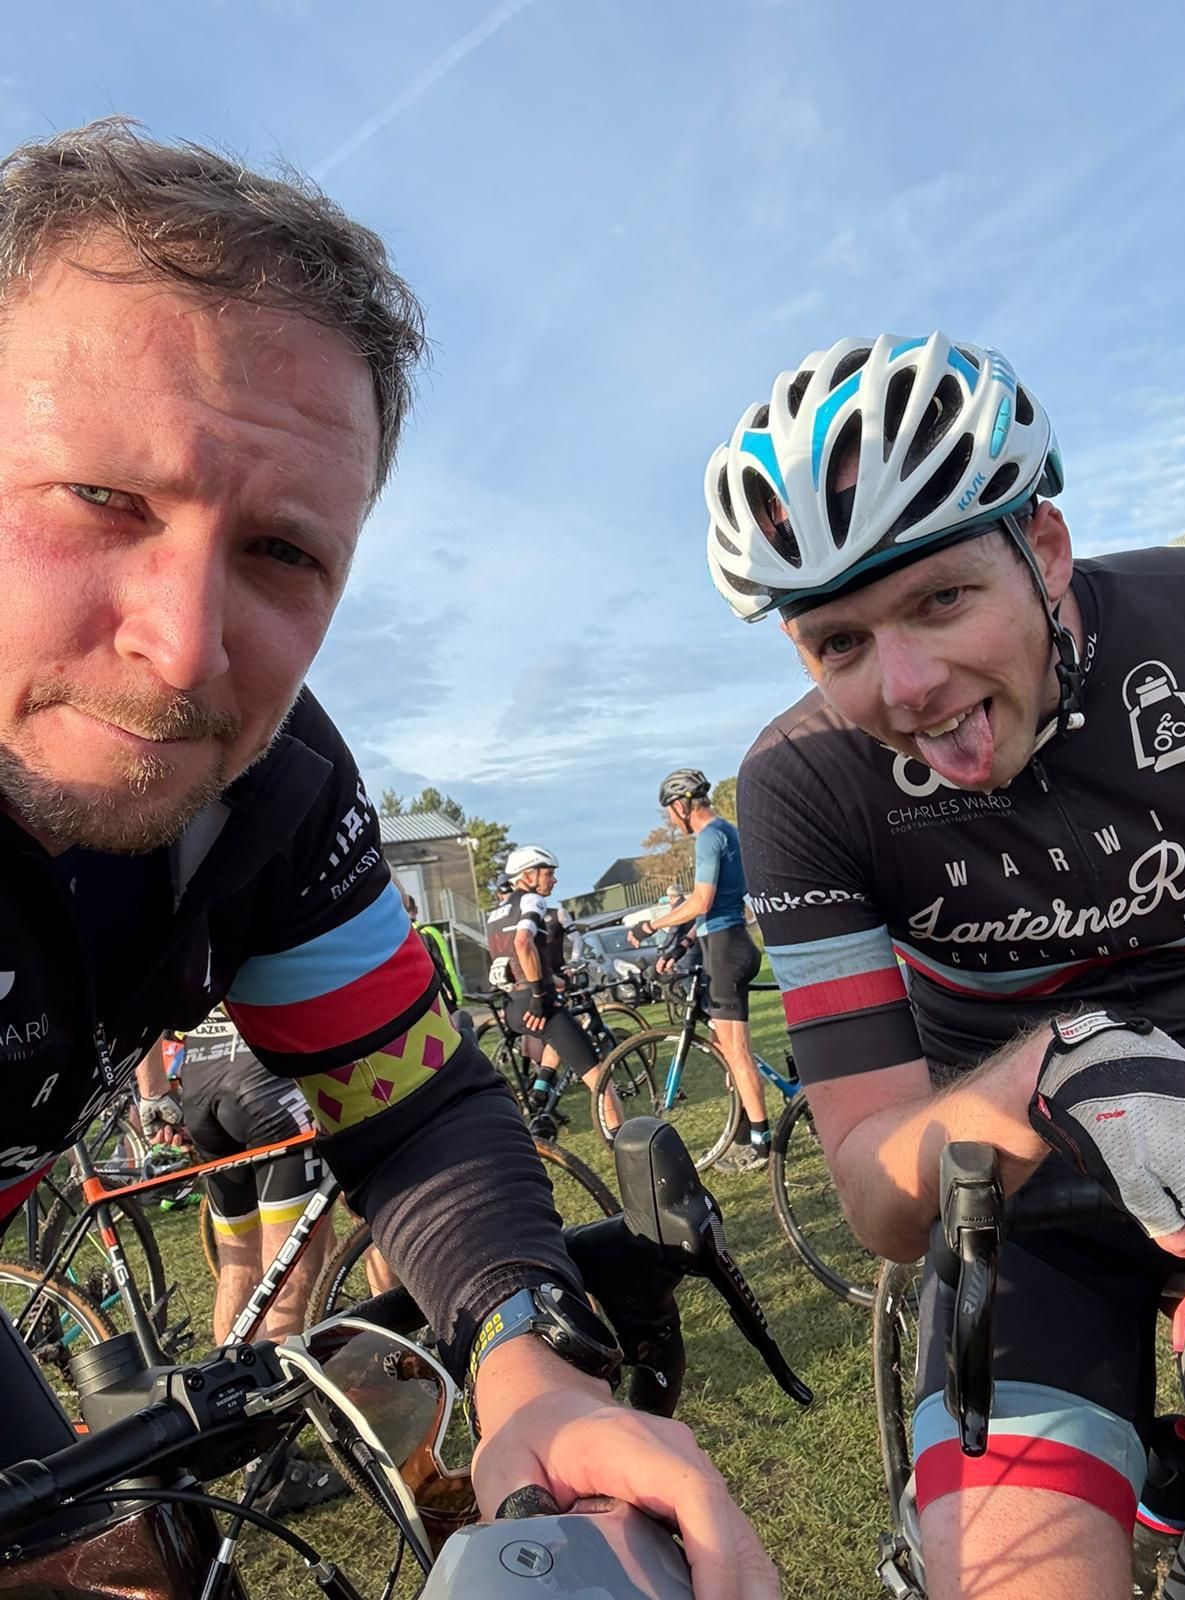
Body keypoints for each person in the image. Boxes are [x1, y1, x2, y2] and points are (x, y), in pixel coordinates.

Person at [0, 119, 775, 1598]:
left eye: (284, 553)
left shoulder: (273, 792)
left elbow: (414, 1112)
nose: (184, 650)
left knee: (135, 1572)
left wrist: (524, 1359)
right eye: (103, 500)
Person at [707, 328, 1185, 1600]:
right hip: (1018, 1192)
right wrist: (1062, 1074)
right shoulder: (803, 782)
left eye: (939, 599)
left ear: (1043, 553)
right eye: (839, 643)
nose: (910, 686)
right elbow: (876, 1196)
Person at [141, 1011, 348, 1512]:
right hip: (267, 1081)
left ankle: (233, 1433)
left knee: (239, 1269)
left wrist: (151, 1093)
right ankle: (271, 1463)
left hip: (202, 1079)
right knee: (291, 1276)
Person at [636, 774, 769, 1172]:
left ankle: (761, 1144)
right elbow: (715, 909)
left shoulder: (710, 836)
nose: (671, 820)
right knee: (726, 1049)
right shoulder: (729, 830)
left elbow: (702, 900)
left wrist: (654, 925)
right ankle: (742, 1133)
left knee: (737, 1053)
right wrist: (680, 945)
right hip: (723, 942)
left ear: (682, 804)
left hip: (726, 951)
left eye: (669, 812)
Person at [485, 847, 621, 1127]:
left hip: (512, 1005)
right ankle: (628, 1150)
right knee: (601, 1082)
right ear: (528, 875)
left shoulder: (495, 914)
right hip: (535, 1003)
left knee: (557, 1043)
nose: (554, 880)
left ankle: (540, 1091)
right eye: (548, 873)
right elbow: (523, 943)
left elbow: (509, 959)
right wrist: (539, 994)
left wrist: (553, 980)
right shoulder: (532, 900)